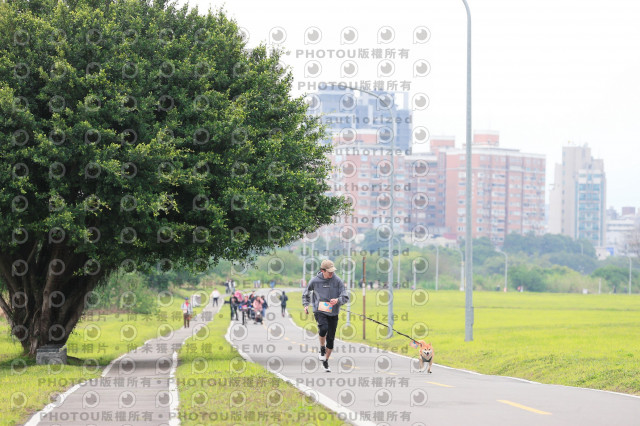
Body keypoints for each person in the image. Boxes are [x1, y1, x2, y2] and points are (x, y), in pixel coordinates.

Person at [302, 259, 349, 373]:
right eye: (329, 271)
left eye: (333, 271)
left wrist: (338, 300)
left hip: (333, 312)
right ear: (322, 270)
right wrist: (306, 305)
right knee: (323, 328)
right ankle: (322, 347)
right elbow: (306, 292)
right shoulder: (315, 281)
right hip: (320, 310)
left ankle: (326, 361)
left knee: (331, 339)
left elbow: (345, 296)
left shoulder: (337, 280)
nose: (332, 273)